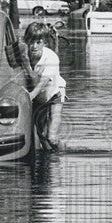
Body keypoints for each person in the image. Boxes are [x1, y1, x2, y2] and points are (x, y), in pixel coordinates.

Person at [24, 21, 66, 151]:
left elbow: (43, 83)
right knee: (41, 135)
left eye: (38, 43)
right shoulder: (24, 55)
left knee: (51, 138)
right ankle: (48, 159)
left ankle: (61, 153)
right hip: (39, 99)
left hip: (54, 95)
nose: (34, 46)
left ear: (45, 43)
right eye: (31, 42)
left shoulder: (51, 58)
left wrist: (29, 96)